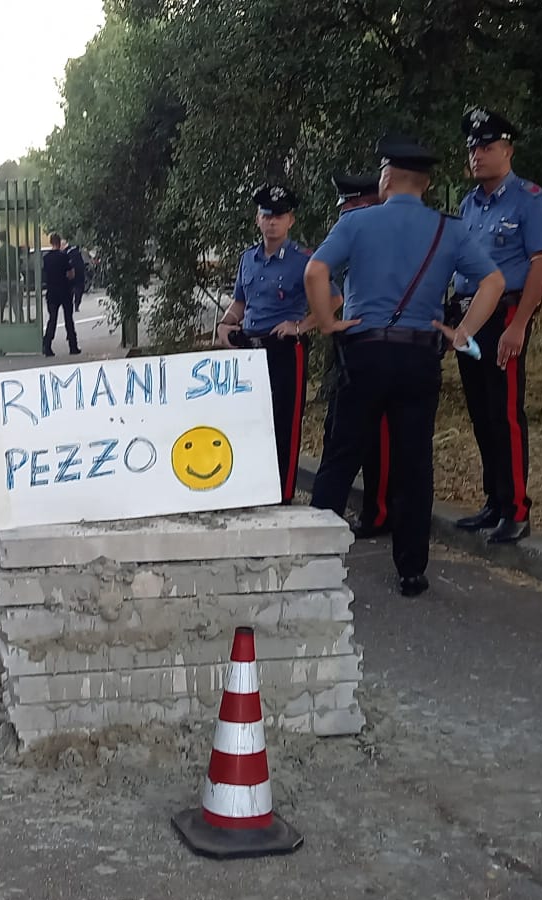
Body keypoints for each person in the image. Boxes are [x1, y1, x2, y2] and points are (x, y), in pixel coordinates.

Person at [304, 135, 505, 598]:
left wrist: (328, 322)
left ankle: (314, 561)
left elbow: (316, 271)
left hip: (365, 351)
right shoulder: (449, 230)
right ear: (428, 184)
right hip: (419, 355)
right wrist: (462, 333)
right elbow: (493, 280)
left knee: (341, 456)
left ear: (387, 177)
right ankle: (411, 570)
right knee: (414, 464)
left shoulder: (357, 222)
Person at [452, 107, 542, 544]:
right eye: (473, 147)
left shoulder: (529, 199)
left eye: (488, 147)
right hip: (468, 315)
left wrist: (520, 325)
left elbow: (540, 265)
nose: (478, 155)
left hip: (505, 315)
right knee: (480, 413)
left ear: (508, 151)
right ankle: (494, 501)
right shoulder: (468, 203)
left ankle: (516, 508)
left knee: (505, 413)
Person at [212, 185, 312, 504]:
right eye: (266, 215)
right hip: (250, 350)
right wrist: (227, 324)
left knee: (285, 421)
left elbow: (332, 300)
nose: (272, 222)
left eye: (279, 216)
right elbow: (240, 302)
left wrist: (300, 325)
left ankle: (282, 494)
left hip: (285, 348)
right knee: (251, 419)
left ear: (290, 221)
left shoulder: (304, 261)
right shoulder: (248, 259)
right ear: (257, 219)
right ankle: (252, 489)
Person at [328, 171, 391, 538]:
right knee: (345, 429)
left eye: (351, 206)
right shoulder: (358, 234)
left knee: (378, 434)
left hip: (377, 341)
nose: (344, 215)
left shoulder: (381, 237)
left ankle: (380, 512)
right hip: (354, 339)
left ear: (368, 203)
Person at [40, 232, 81, 357]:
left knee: (52, 319)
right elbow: (71, 274)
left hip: (51, 292)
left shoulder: (46, 258)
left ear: (51, 242)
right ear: (59, 243)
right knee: (68, 318)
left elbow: (44, 274)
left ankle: (47, 346)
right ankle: (73, 346)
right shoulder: (64, 257)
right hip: (64, 290)